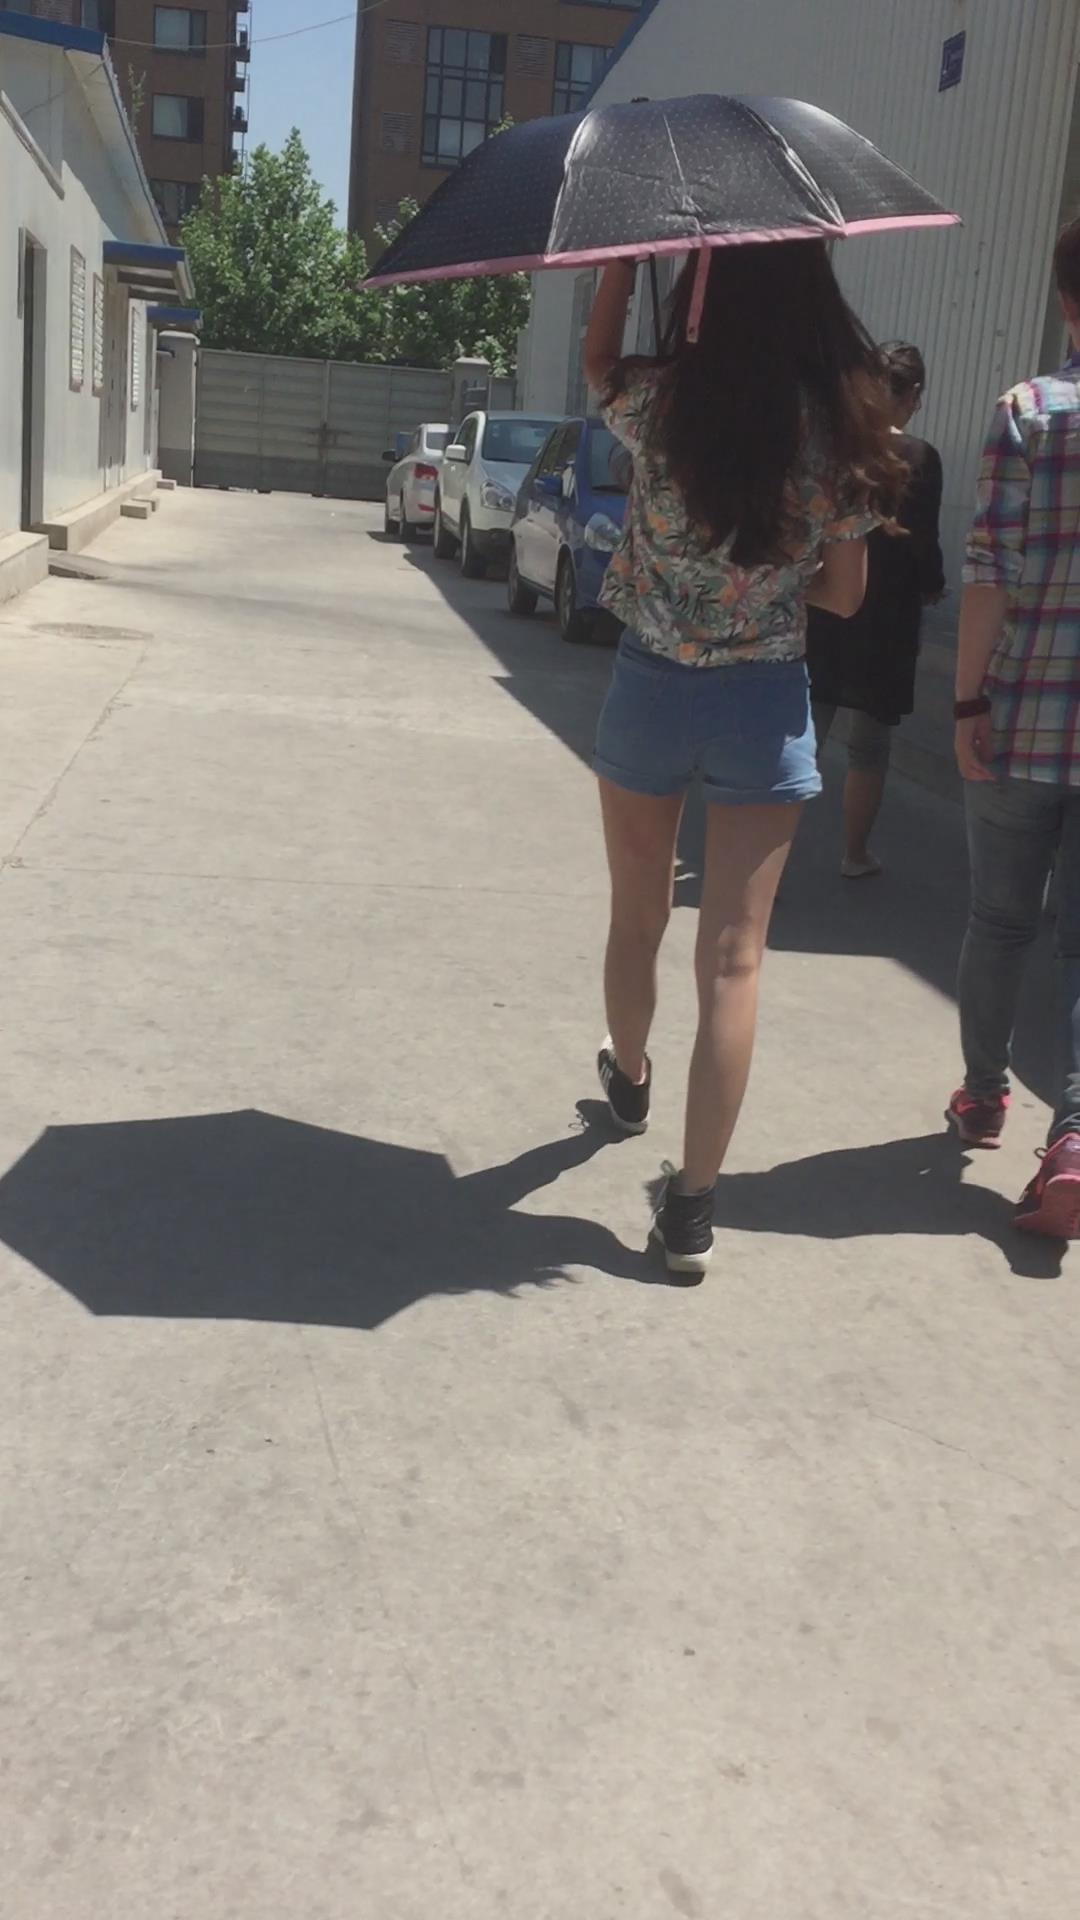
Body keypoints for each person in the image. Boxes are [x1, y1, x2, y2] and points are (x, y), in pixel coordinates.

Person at [583, 243, 905, 1279]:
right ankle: (691, 1210)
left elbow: (597, 363)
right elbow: (845, 595)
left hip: (650, 684)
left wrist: (621, 266)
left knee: (638, 915)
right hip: (764, 698)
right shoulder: (839, 426)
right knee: (734, 958)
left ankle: (629, 1077)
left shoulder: (660, 401)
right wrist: (760, 587)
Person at [948, 216, 1080, 1237]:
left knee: (1000, 920)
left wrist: (965, 702)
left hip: (1025, 716)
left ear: (1064, 300)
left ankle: (985, 1098)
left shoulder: (1030, 413)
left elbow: (989, 573)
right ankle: (1074, 1140)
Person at [809, 342, 946, 877]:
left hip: (825, 608)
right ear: (913, 394)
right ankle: (855, 854)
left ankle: (767, 862)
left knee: (804, 736)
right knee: (868, 748)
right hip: (886, 620)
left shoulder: (834, 449)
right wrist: (933, 586)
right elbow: (922, 543)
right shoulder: (920, 458)